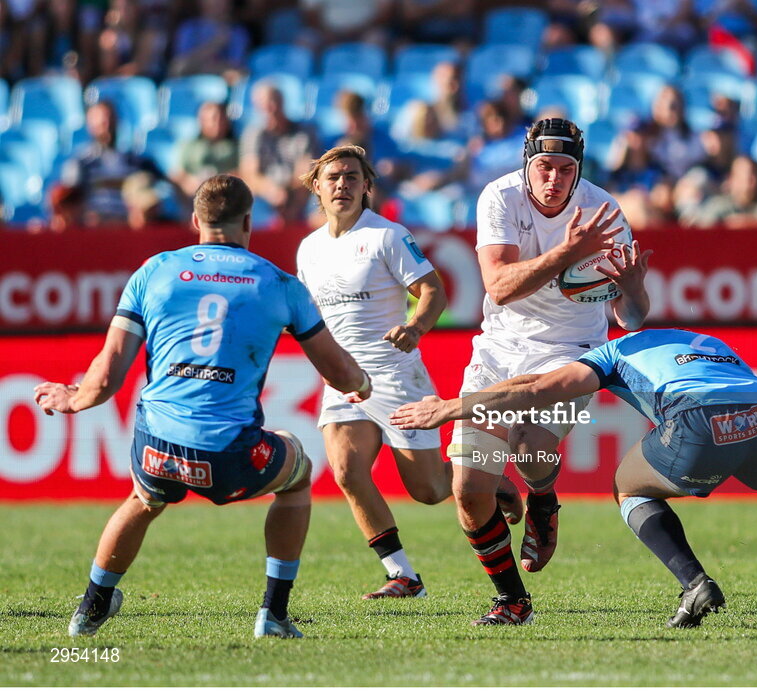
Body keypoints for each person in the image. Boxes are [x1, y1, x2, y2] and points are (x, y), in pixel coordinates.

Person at [391, 328, 757, 629]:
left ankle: (695, 583)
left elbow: (534, 390)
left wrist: (448, 407)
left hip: (702, 422)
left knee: (628, 485)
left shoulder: (612, 350)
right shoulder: (709, 342)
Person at [33, 174, 372, 639]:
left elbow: (109, 371)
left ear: (195, 221)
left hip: (157, 444)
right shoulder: (279, 284)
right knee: (296, 473)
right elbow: (340, 373)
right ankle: (273, 616)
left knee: (144, 498)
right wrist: (363, 381)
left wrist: (74, 399)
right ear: (249, 221)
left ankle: (90, 608)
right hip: (230, 453)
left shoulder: (153, 271)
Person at [445, 117, 650, 625]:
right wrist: (567, 253)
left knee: (529, 446)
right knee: (469, 491)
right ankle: (513, 602)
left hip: (570, 350)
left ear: (579, 170)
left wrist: (634, 288)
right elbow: (498, 287)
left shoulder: (602, 210)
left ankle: (542, 497)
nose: (553, 178)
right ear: (526, 165)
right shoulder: (499, 197)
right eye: (544, 167)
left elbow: (632, 319)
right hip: (499, 348)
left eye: (565, 168)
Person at [296, 145, 521, 599]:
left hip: (395, 375)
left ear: (367, 187)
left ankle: (493, 487)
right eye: (334, 177)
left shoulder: (387, 236)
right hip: (344, 379)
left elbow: (432, 289)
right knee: (346, 471)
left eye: (352, 177)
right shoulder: (308, 248)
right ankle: (402, 574)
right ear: (316, 187)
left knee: (429, 489)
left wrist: (416, 326)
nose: (343, 184)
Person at [240, 83, 319, 222]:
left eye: (274, 102)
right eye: (264, 105)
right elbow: (250, 174)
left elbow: (306, 171)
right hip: (265, 196)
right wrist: (271, 191)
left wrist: (291, 199)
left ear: (282, 103)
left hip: (298, 193)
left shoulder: (303, 133)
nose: (271, 109)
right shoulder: (253, 134)